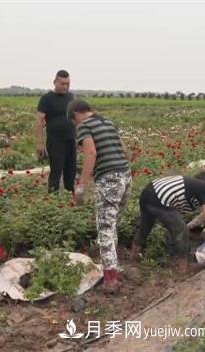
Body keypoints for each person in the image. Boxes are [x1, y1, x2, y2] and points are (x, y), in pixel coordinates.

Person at [69, 99, 131, 292]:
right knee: (111, 226)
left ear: (75, 116)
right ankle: (114, 267)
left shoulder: (84, 126)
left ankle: (110, 279)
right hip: (126, 176)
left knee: (104, 228)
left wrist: (81, 187)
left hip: (109, 179)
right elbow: (124, 149)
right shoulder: (107, 122)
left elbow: (91, 154)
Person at [130, 173, 205, 262]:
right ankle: (182, 267)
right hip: (159, 197)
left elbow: (204, 216)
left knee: (145, 228)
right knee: (182, 231)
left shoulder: (199, 187)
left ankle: (133, 257)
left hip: (149, 192)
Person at [36, 70, 76, 193]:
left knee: (71, 171)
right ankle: (53, 199)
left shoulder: (71, 97)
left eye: (67, 84)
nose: (65, 86)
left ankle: (71, 198)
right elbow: (39, 120)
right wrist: (40, 143)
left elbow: (76, 118)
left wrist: (80, 139)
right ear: (55, 82)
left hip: (71, 140)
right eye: (62, 83)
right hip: (55, 141)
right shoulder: (46, 98)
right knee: (56, 171)